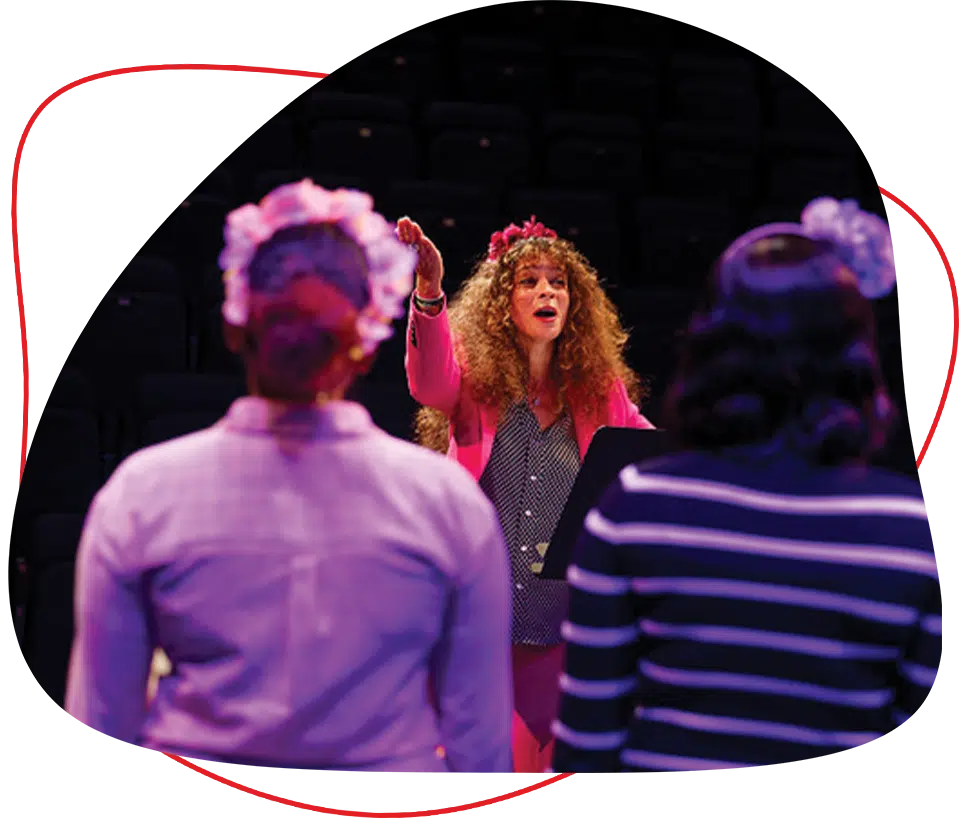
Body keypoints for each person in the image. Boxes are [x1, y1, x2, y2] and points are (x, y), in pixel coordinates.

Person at [65, 180, 514, 774]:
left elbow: (101, 735)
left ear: (233, 325)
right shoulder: (446, 503)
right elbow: (479, 750)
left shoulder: (143, 494)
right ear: (367, 340)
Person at [552, 197, 942, 774]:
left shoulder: (635, 508)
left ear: (713, 345)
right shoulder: (915, 534)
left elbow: (585, 749)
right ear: (855, 352)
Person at [396, 215, 654, 773]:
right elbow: (429, 382)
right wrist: (430, 294)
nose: (546, 292)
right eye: (529, 281)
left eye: (558, 282)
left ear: (574, 302)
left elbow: (653, 456)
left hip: (563, 628)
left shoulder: (597, 393)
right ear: (501, 303)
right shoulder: (474, 382)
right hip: (484, 621)